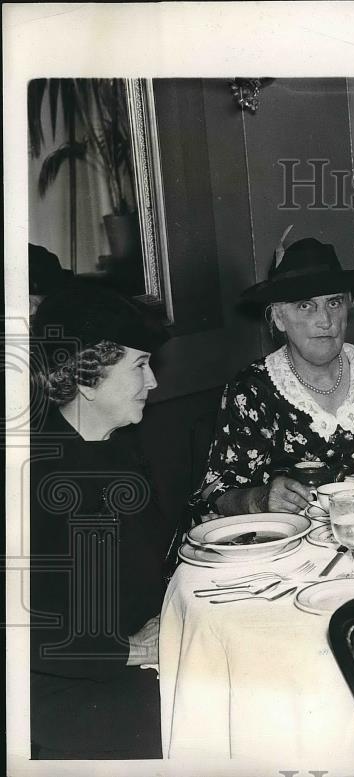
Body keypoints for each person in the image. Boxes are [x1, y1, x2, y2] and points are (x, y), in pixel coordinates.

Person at [30, 283, 171, 759]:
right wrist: (130, 651)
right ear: (87, 378)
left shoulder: (119, 448)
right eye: (139, 365)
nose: (153, 382)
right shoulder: (35, 474)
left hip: (135, 660)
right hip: (69, 697)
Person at [193, 234, 354, 519]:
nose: (325, 320)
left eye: (334, 303)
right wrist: (261, 498)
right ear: (278, 318)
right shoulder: (252, 391)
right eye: (305, 305)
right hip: (287, 552)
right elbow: (216, 493)